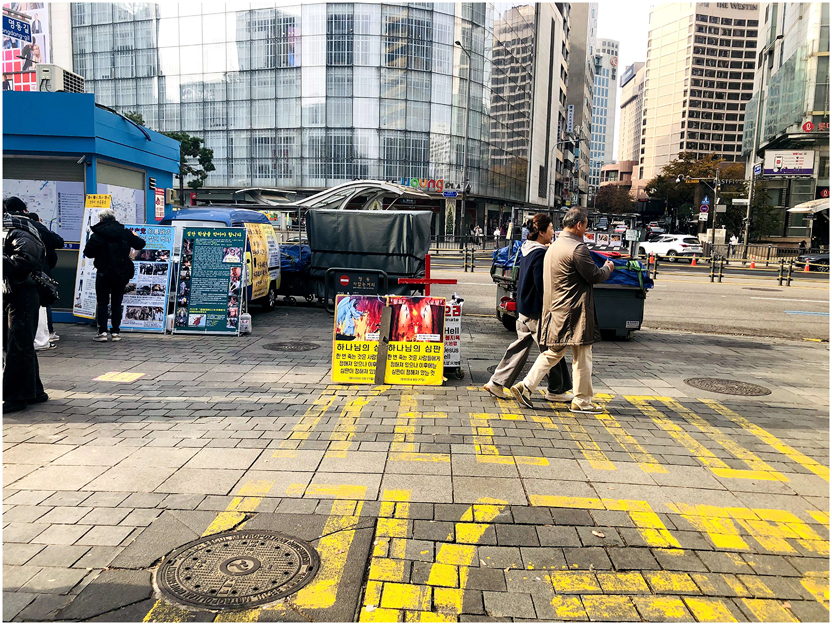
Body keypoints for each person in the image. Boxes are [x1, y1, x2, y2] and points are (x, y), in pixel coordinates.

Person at [511, 207, 615, 414]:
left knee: (554, 352)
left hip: (555, 309)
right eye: (586, 225)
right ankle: (582, 401)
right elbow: (593, 275)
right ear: (578, 225)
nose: (586, 229)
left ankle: (526, 386)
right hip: (575, 311)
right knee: (583, 355)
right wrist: (608, 268)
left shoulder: (553, 246)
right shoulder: (578, 248)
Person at [484, 213, 573, 403]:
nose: (553, 233)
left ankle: (497, 382)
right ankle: (556, 390)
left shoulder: (527, 249)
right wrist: (552, 308)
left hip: (524, 308)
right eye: (550, 229)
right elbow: (542, 285)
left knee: (522, 347)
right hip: (536, 310)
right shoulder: (540, 253)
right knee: (553, 351)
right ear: (541, 232)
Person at [3, 197, 47, 412]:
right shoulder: (12, 230)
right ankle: (34, 391)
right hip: (12, 292)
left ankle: (17, 396)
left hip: (23, 292)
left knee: (17, 343)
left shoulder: (18, 231)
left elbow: (26, 261)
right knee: (18, 343)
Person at [83, 209, 146, 342]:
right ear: (114, 218)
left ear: (101, 219)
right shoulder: (124, 232)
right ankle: (116, 332)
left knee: (102, 302)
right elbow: (140, 244)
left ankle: (102, 332)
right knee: (117, 302)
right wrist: (134, 236)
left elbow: (88, 252)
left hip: (103, 272)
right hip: (121, 272)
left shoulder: (97, 234)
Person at [21, 208, 64, 345]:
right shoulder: (39, 231)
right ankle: (46, 334)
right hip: (40, 273)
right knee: (43, 303)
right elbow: (55, 249)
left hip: (21, 274)